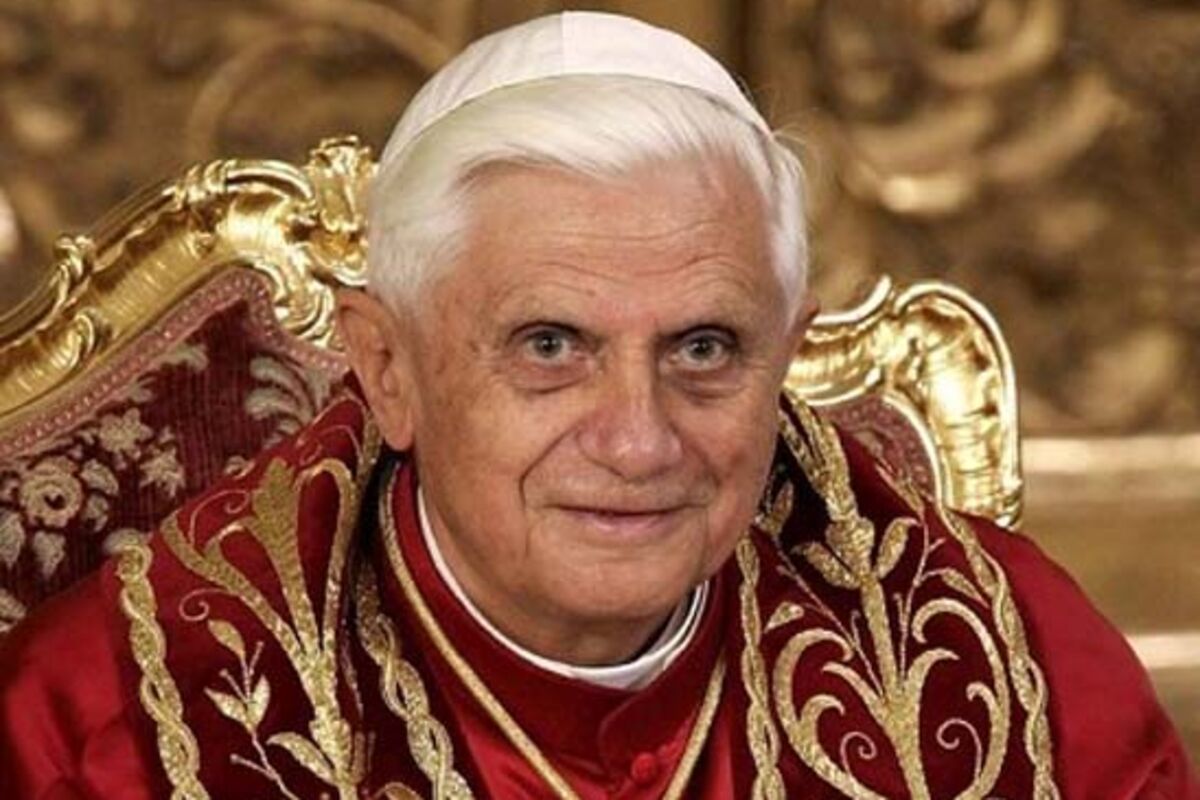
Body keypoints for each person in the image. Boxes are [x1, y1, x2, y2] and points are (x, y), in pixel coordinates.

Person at [0, 11, 1195, 799]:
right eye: (551, 345)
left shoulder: (1008, 658)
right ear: (389, 368)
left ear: (787, 352)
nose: (637, 438)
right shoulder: (114, 721)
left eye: (705, 347)